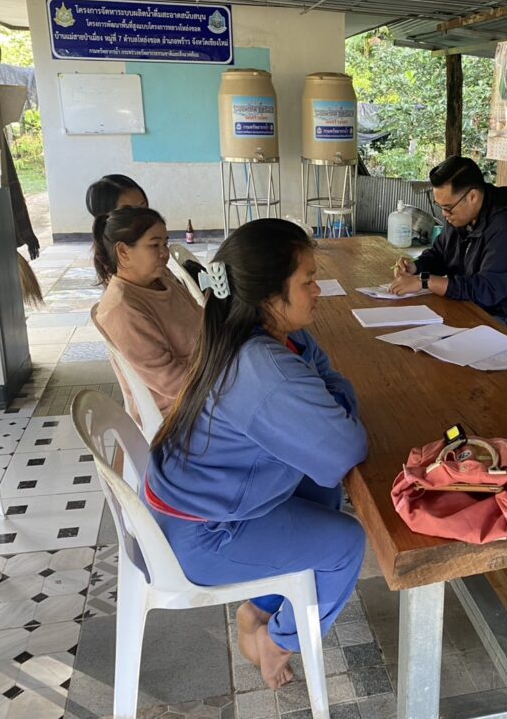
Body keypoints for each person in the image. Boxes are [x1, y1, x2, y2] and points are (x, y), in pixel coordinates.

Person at [147, 219, 368, 690]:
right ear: (269, 295)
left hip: (200, 505)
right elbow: (346, 447)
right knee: (346, 543)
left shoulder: (263, 333)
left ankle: (258, 608)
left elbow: (325, 381)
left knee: (322, 492)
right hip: (202, 537)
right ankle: (279, 640)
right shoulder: (265, 369)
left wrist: (329, 399)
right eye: (308, 281)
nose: (318, 290)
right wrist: (336, 401)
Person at [388, 156, 507, 340]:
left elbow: (487, 291)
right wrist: (415, 267)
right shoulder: (461, 217)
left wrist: (424, 281)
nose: (444, 214)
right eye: (440, 207)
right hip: (471, 305)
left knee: (435, 341)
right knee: (413, 328)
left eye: (448, 208)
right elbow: (440, 255)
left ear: (472, 196)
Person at [92, 206, 202, 420]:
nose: (164, 253)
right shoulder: (121, 309)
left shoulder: (163, 280)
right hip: (182, 409)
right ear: (123, 252)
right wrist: (227, 381)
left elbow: (203, 321)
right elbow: (172, 382)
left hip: (210, 379)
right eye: (154, 245)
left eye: (165, 243)